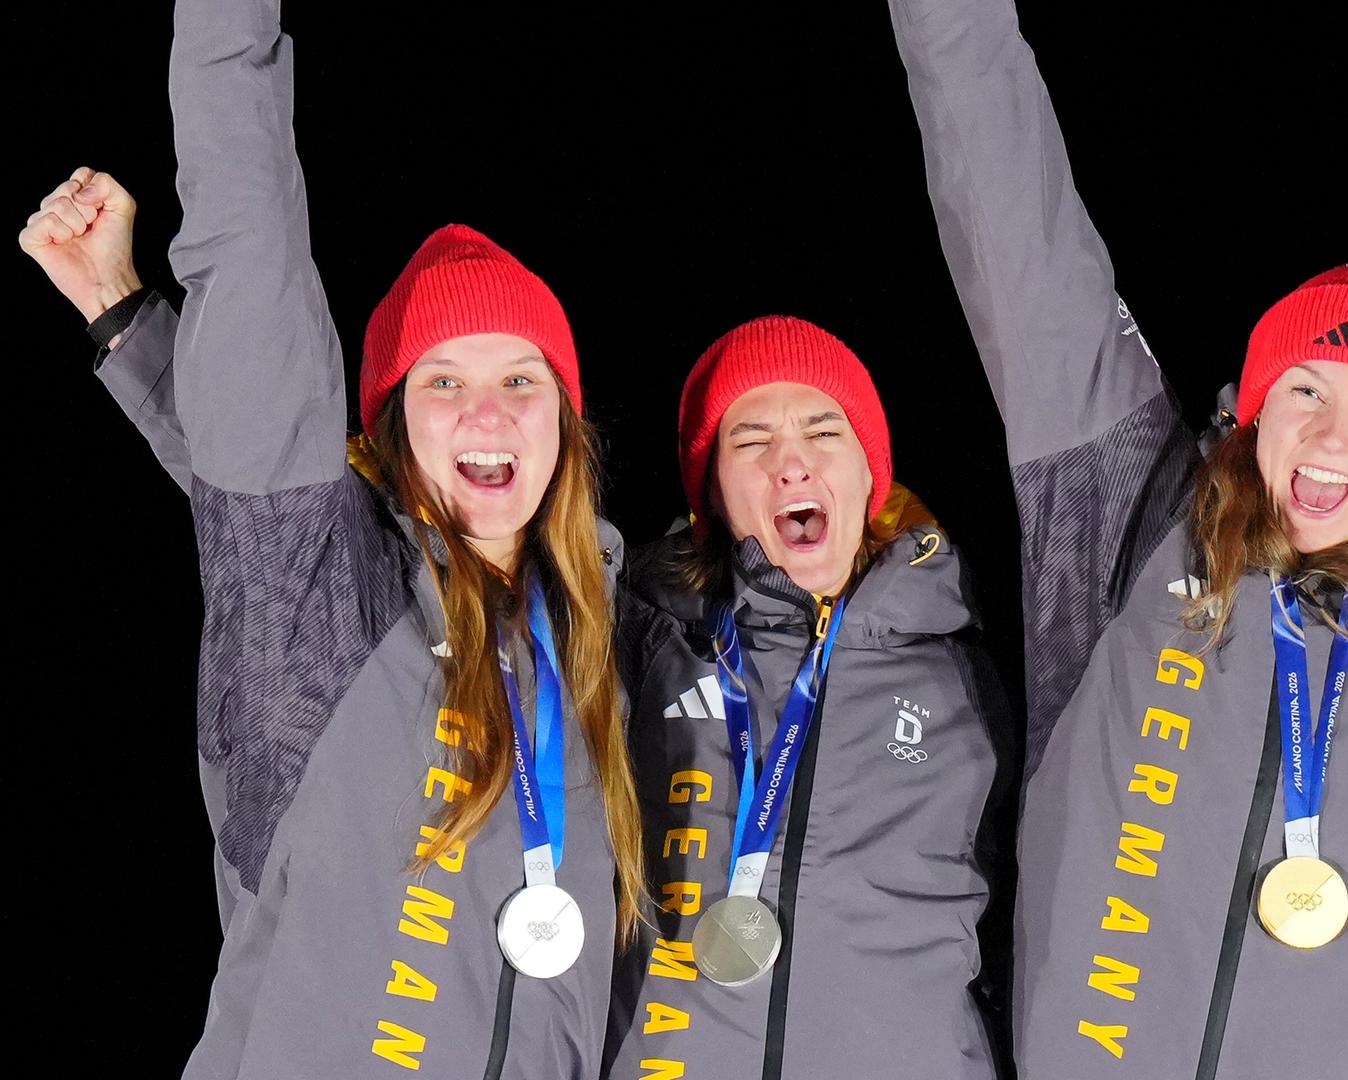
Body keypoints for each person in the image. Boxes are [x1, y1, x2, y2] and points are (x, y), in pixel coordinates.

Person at [21, 1, 646, 1074]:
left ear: (566, 427)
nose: (487, 413)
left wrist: (129, 324)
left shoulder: (614, 654)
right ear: (394, 436)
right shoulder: (329, 621)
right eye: (443, 382)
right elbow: (252, 265)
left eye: (519, 380)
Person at [887, 1, 1348, 1075]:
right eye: (1305, 387)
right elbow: (1022, 230)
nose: (1334, 432)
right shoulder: (1138, 513)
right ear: (1252, 409)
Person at [600, 315, 1018, 1079]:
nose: (791, 464)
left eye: (824, 433)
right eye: (751, 441)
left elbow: (1015, 929)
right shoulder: (639, 639)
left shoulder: (965, 669)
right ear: (714, 496)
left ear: (870, 475)